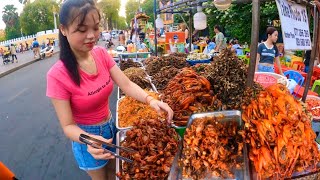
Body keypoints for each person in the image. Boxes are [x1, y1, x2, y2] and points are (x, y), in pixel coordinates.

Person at [46, 1, 173, 179]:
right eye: (82, 30)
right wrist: (89, 139)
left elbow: (126, 84)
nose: (91, 36)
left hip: (113, 128)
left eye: (96, 27)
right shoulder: (57, 75)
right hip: (87, 139)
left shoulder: (101, 54)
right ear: (64, 29)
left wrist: (151, 100)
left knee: (117, 174)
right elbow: (67, 126)